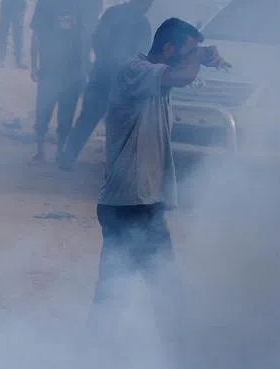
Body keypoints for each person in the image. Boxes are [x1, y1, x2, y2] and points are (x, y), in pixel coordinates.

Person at [91, 18, 229, 324]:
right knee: (148, 287)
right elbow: (183, 75)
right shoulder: (135, 71)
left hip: (141, 202)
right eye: (187, 51)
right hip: (128, 203)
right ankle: (173, 352)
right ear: (168, 50)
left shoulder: (157, 76)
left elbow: (184, 73)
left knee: (132, 287)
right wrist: (201, 56)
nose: (193, 58)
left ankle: (103, 350)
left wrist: (199, 53)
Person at [58, 0, 153, 171]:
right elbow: (98, 40)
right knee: (89, 118)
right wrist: (109, 61)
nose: (147, 6)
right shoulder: (115, 15)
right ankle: (68, 158)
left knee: (115, 124)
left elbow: (143, 54)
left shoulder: (142, 24)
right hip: (104, 77)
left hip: (121, 82)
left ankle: (112, 166)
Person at [28, 0, 86, 163]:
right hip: (49, 68)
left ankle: (60, 151)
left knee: (66, 113)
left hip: (71, 70)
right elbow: (36, 36)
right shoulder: (45, 4)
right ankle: (40, 151)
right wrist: (33, 66)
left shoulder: (78, 5)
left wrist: (82, 68)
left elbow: (81, 38)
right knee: (43, 110)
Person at [0, 0, 25, 68]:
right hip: (7, 6)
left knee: (18, 36)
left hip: (18, 6)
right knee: (3, 34)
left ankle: (18, 61)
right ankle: (1, 59)